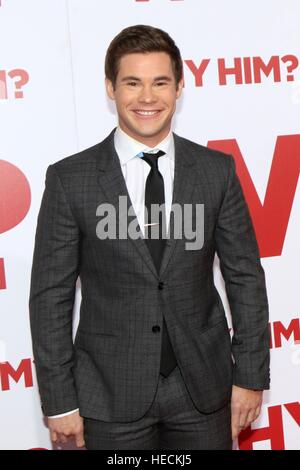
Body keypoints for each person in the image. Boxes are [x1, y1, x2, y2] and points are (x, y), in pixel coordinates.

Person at [29, 25, 270, 450]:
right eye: (132, 83)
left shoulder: (217, 171)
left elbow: (245, 278)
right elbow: (50, 297)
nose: (147, 98)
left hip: (203, 392)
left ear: (179, 87)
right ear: (110, 88)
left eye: (160, 82)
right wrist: (60, 401)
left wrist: (250, 376)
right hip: (108, 394)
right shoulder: (71, 180)